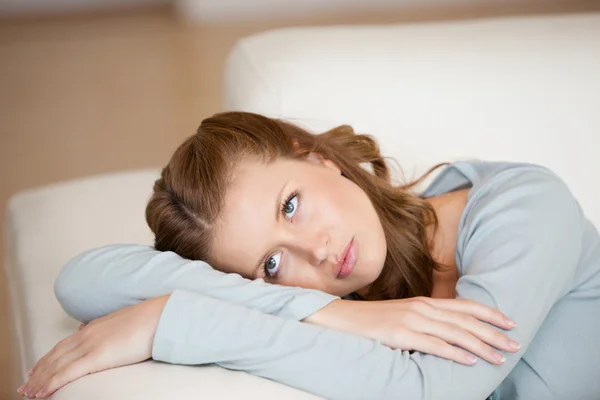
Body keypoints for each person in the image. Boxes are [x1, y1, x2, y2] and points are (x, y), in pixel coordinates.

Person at [18, 112, 600, 400]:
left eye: (290, 205)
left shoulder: (525, 207)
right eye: (271, 264)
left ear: (319, 157)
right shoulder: (340, 298)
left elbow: (436, 393)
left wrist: (178, 320)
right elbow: (84, 280)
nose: (316, 252)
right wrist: (330, 313)